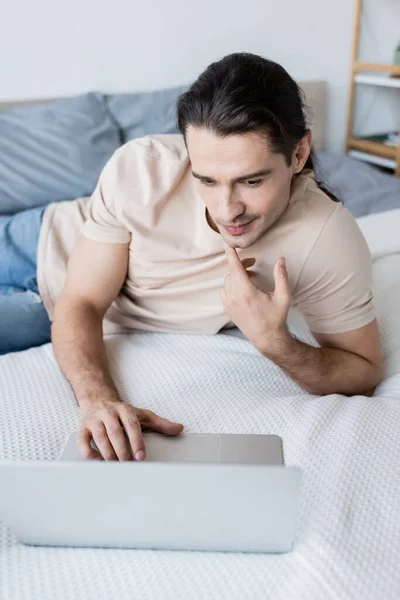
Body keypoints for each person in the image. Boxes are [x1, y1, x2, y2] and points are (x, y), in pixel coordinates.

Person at [0, 52, 383, 461]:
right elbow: (82, 300)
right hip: (38, 242)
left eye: (251, 181)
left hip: (49, 315)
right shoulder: (140, 168)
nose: (226, 209)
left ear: (299, 153)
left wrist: (276, 343)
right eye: (206, 180)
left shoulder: (327, 238)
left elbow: (362, 370)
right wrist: (98, 401)